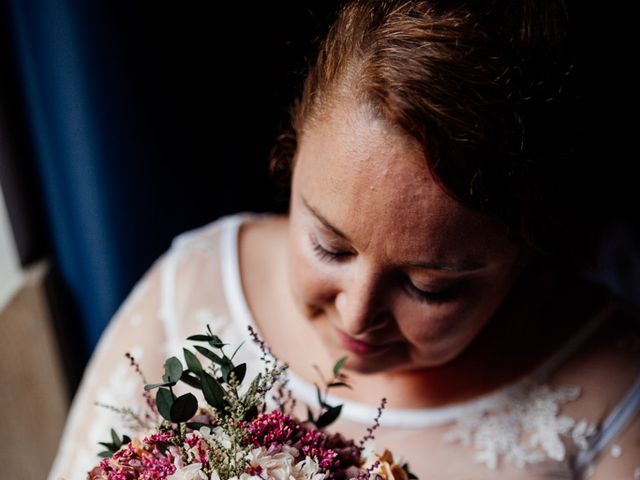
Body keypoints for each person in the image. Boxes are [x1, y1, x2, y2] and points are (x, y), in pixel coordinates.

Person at [49, 1, 640, 478]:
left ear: (527, 256)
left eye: (429, 287)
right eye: (330, 246)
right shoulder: (190, 289)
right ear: (293, 150)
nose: (356, 315)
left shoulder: (611, 390)